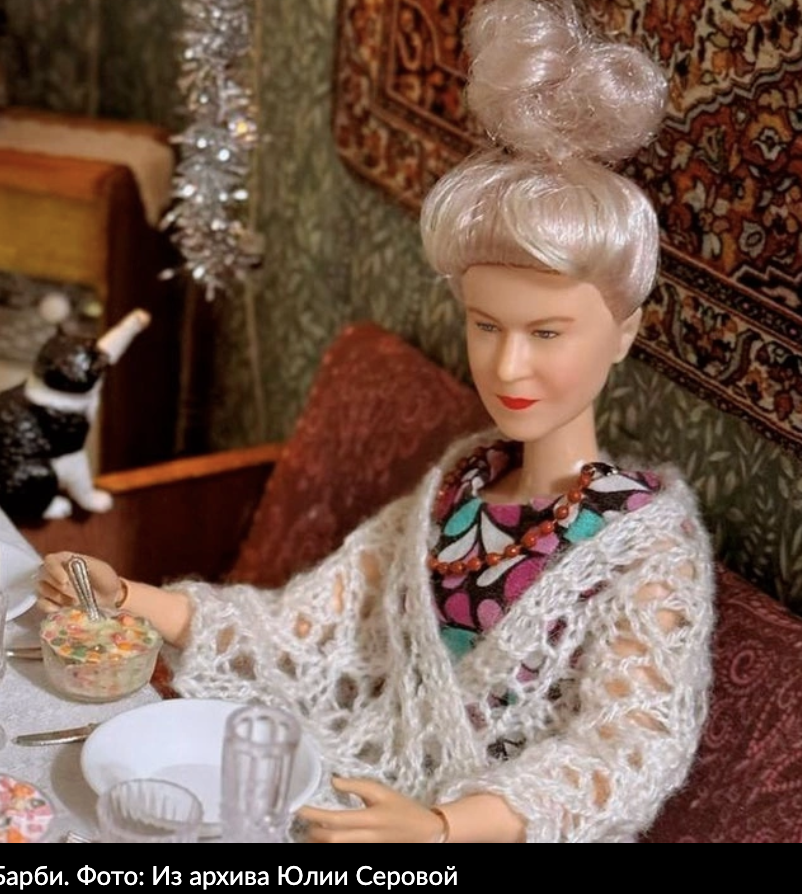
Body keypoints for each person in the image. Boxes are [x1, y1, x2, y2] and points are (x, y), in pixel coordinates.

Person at [37, 0, 715, 843]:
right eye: (485, 325)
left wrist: (442, 826)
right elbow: (302, 632)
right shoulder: (461, 484)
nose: (508, 366)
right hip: (343, 801)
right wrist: (128, 599)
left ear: (624, 332)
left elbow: (624, 750)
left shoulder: (646, 544)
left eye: (547, 333)